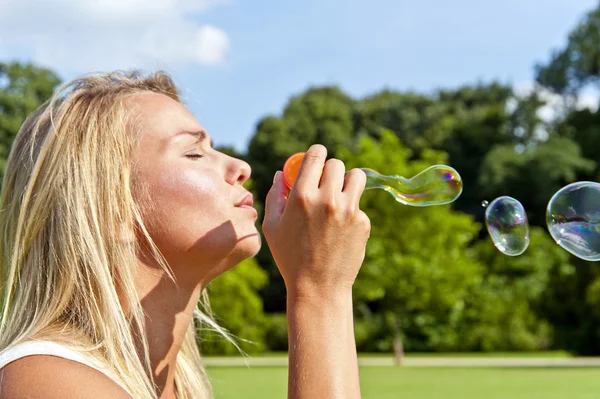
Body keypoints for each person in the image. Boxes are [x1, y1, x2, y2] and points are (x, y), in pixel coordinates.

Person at [0, 71, 371, 399]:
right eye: (194, 153)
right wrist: (319, 291)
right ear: (113, 210)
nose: (240, 167)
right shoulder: (43, 380)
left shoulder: (169, 385)